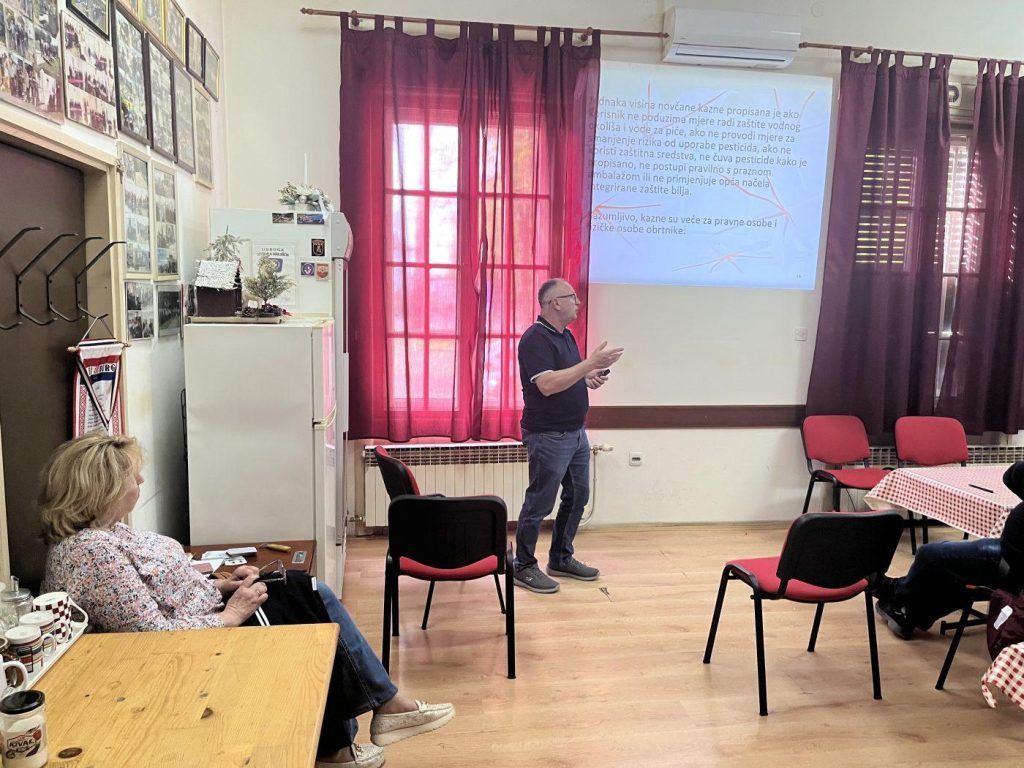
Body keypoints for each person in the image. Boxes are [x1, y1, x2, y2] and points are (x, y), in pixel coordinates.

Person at [40, 433, 453, 768]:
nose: (141, 482)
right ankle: (362, 727)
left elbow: (161, 589)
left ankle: (359, 729)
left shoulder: (108, 533)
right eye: (133, 477)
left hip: (201, 613)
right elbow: (152, 633)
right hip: (184, 645)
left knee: (303, 588)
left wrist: (220, 586)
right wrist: (231, 614)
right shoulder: (91, 553)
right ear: (105, 489)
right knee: (305, 608)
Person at [512, 278, 624, 594]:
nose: (578, 302)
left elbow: (565, 376)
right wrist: (588, 364)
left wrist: (587, 375)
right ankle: (523, 565)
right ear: (555, 303)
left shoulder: (566, 336)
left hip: (575, 432)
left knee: (578, 496)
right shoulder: (535, 339)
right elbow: (547, 385)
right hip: (548, 435)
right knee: (540, 501)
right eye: (572, 297)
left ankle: (560, 558)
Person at [874, 461, 1024, 639]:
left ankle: (897, 593)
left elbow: (1014, 475)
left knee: (929, 556)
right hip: (1012, 556)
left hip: (1009, 564)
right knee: (944, 569)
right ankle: (910, 614)